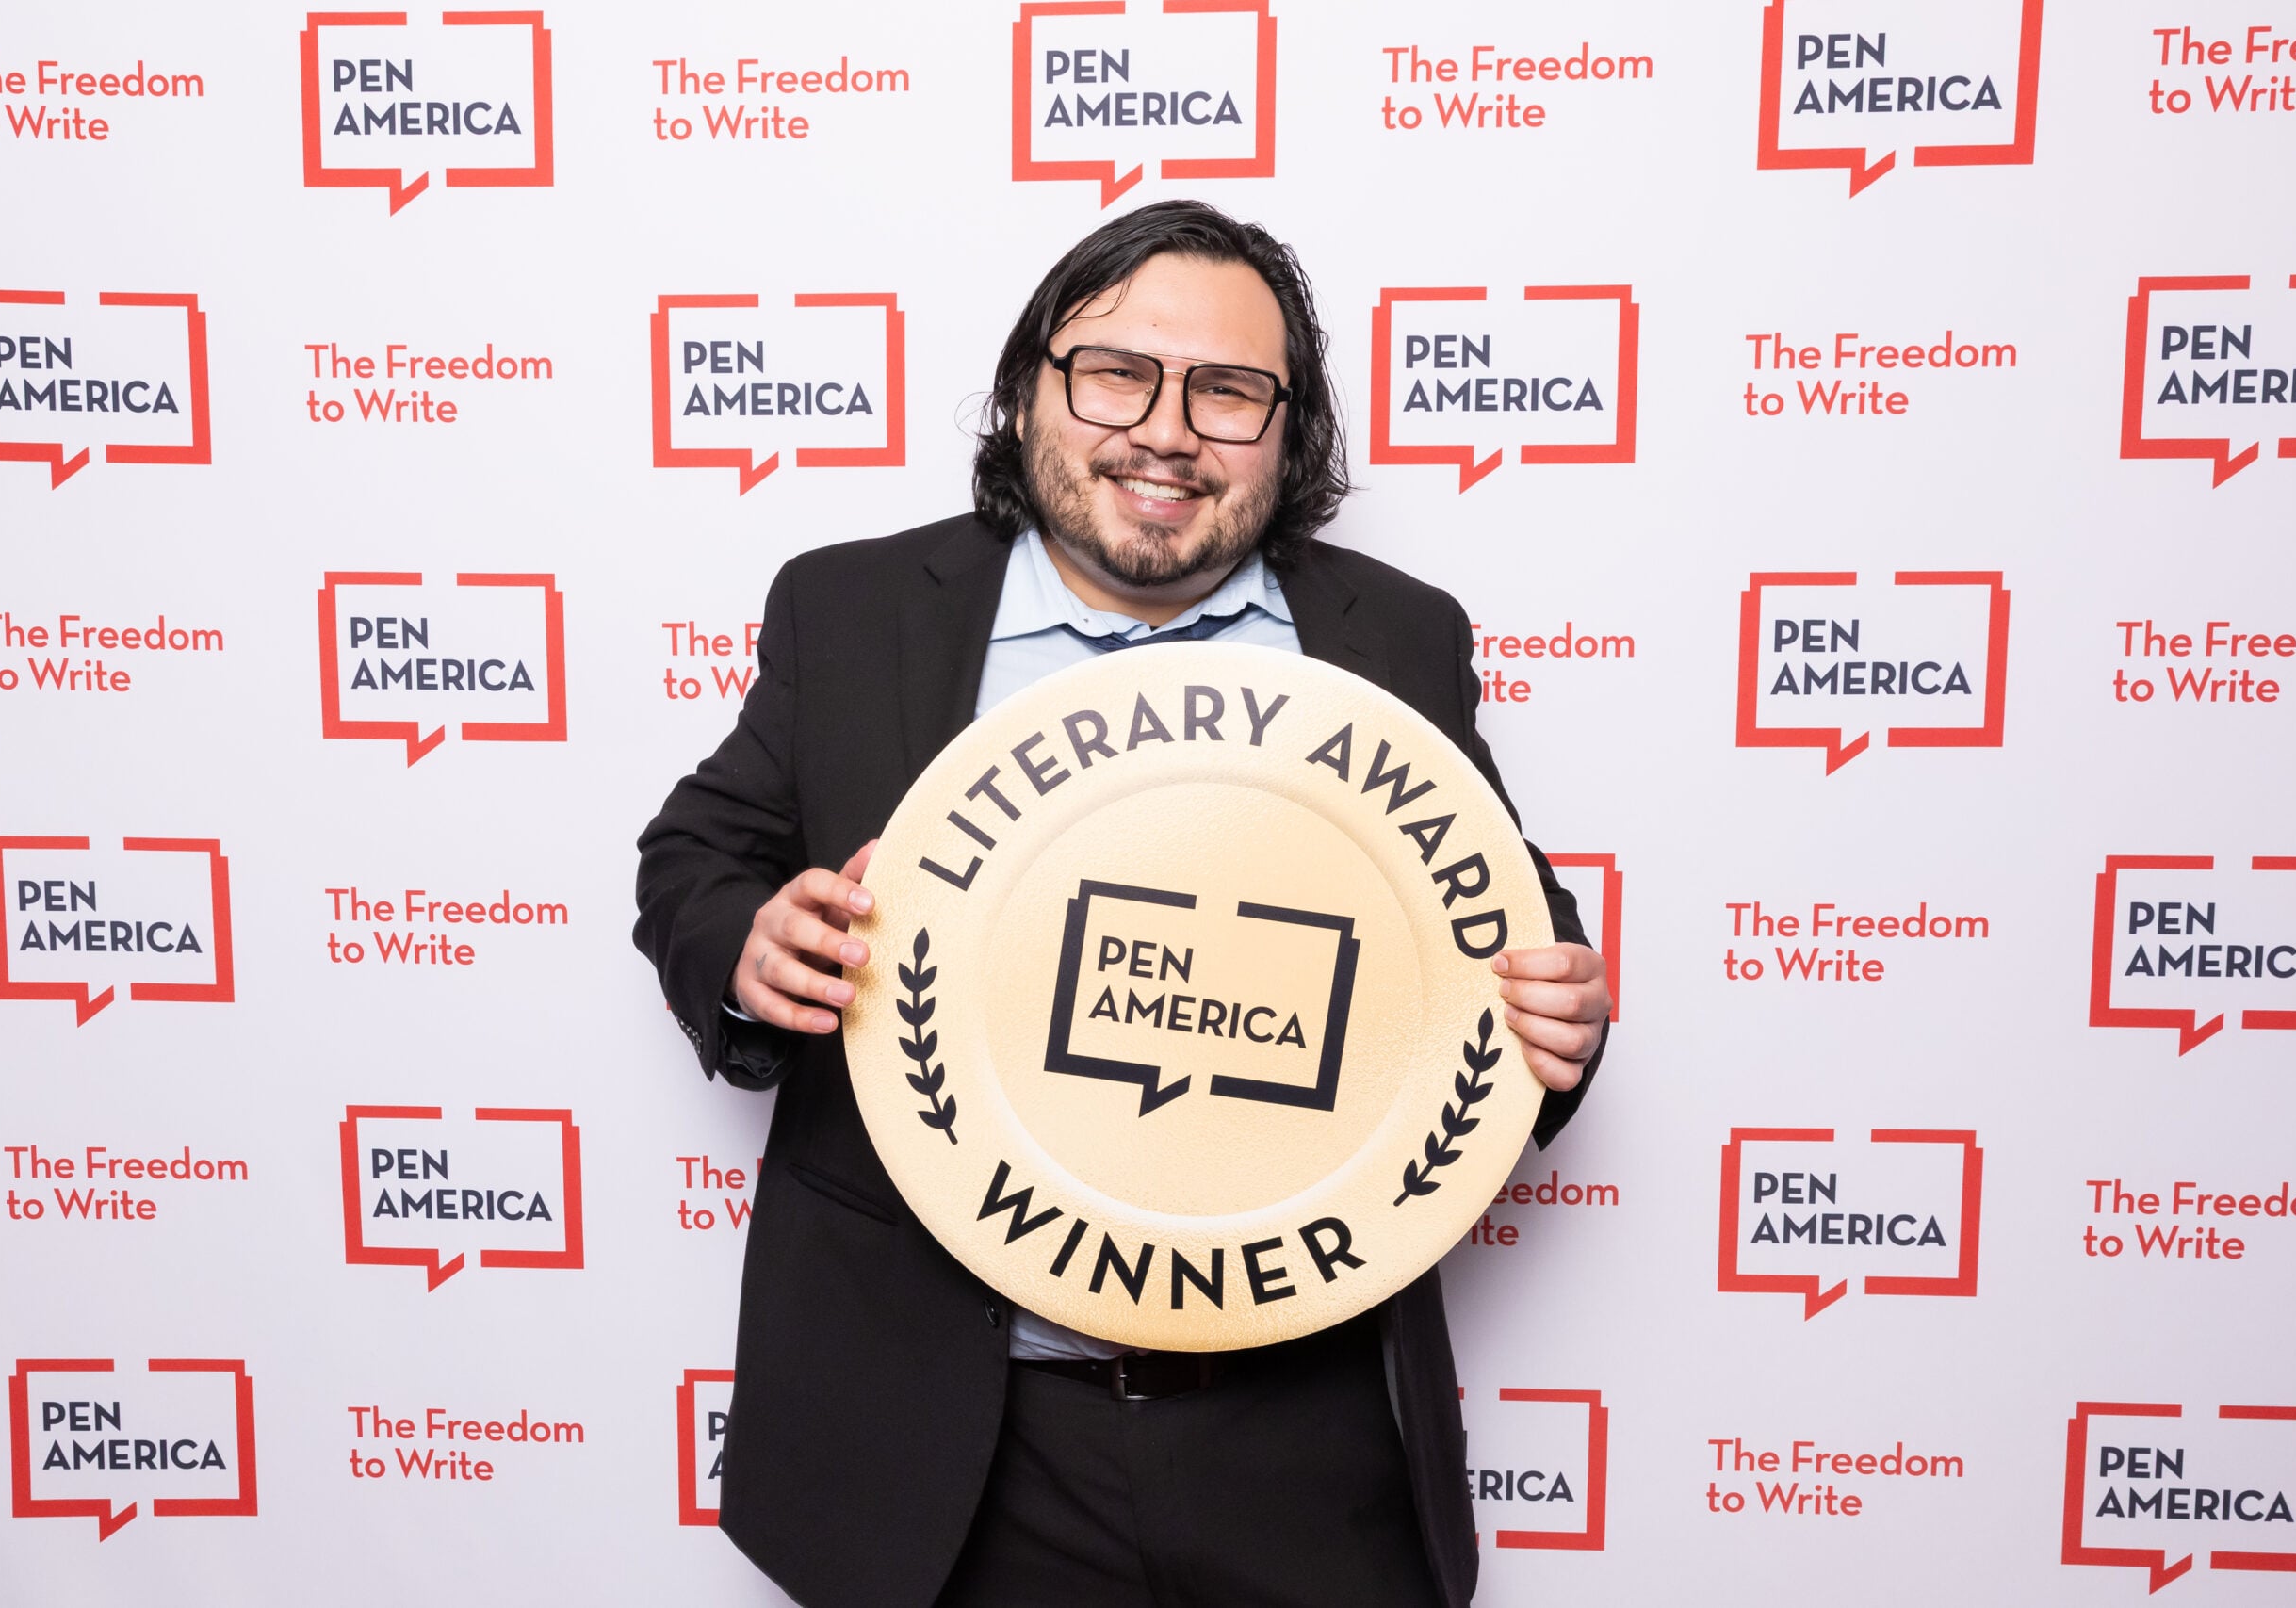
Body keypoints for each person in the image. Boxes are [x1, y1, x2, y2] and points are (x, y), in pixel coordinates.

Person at [633, 200, 1611, 1608]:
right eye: (1116, 374)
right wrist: (748, 946)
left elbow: (1510, 939)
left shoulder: (1394, 637)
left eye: (1229, 392)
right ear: (1032, 385)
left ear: (1289, 431)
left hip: (1305, 1437)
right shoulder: (855, 610)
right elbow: (696, 858)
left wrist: (1561, 1017)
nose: (1166, 432)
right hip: (957, 1445)